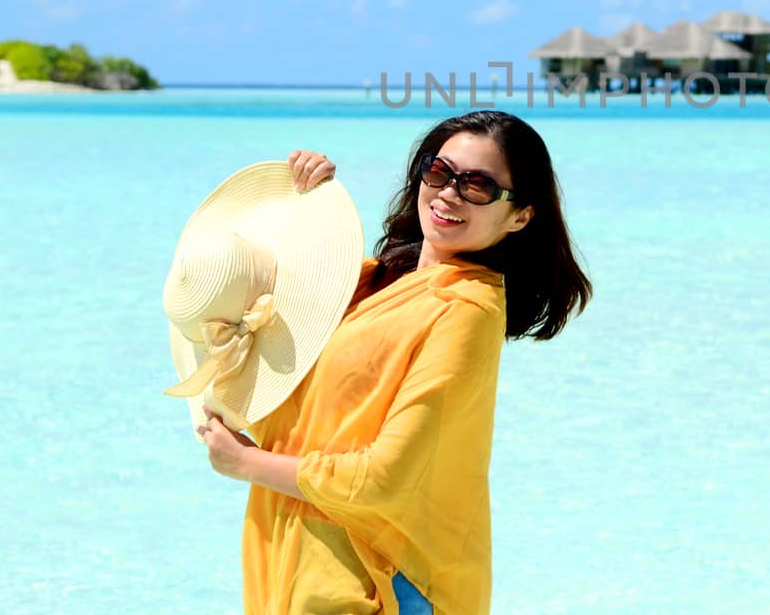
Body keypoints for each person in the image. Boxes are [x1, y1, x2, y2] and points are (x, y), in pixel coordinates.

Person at [195, 109, 591, 614]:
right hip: (297, 557)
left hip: (375, 578)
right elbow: (259, 323)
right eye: (439, 172)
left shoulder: (464, 310)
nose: (449, 193)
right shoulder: (369, 280)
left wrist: (247, 463)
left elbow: (387, 478)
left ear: (521, 215)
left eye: (478, 186)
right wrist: (304, 200)